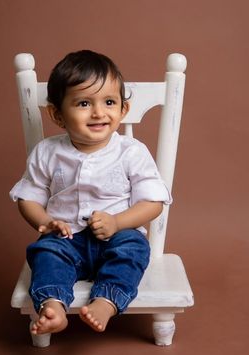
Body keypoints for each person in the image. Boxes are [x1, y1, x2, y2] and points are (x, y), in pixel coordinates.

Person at [10, 50, 171, 336]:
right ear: (57, 114)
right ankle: (53, 305)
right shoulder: (47, 151)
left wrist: (118, 222)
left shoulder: (131, 152)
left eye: (109, 102)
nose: (98, 112)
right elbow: (29, 196)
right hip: (66, 237)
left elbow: (153, 202)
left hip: (116, 236)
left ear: (123, 109)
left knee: (133, 249)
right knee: (45, 252)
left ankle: (106, 301)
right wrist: (44, 222)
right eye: (84, 103)